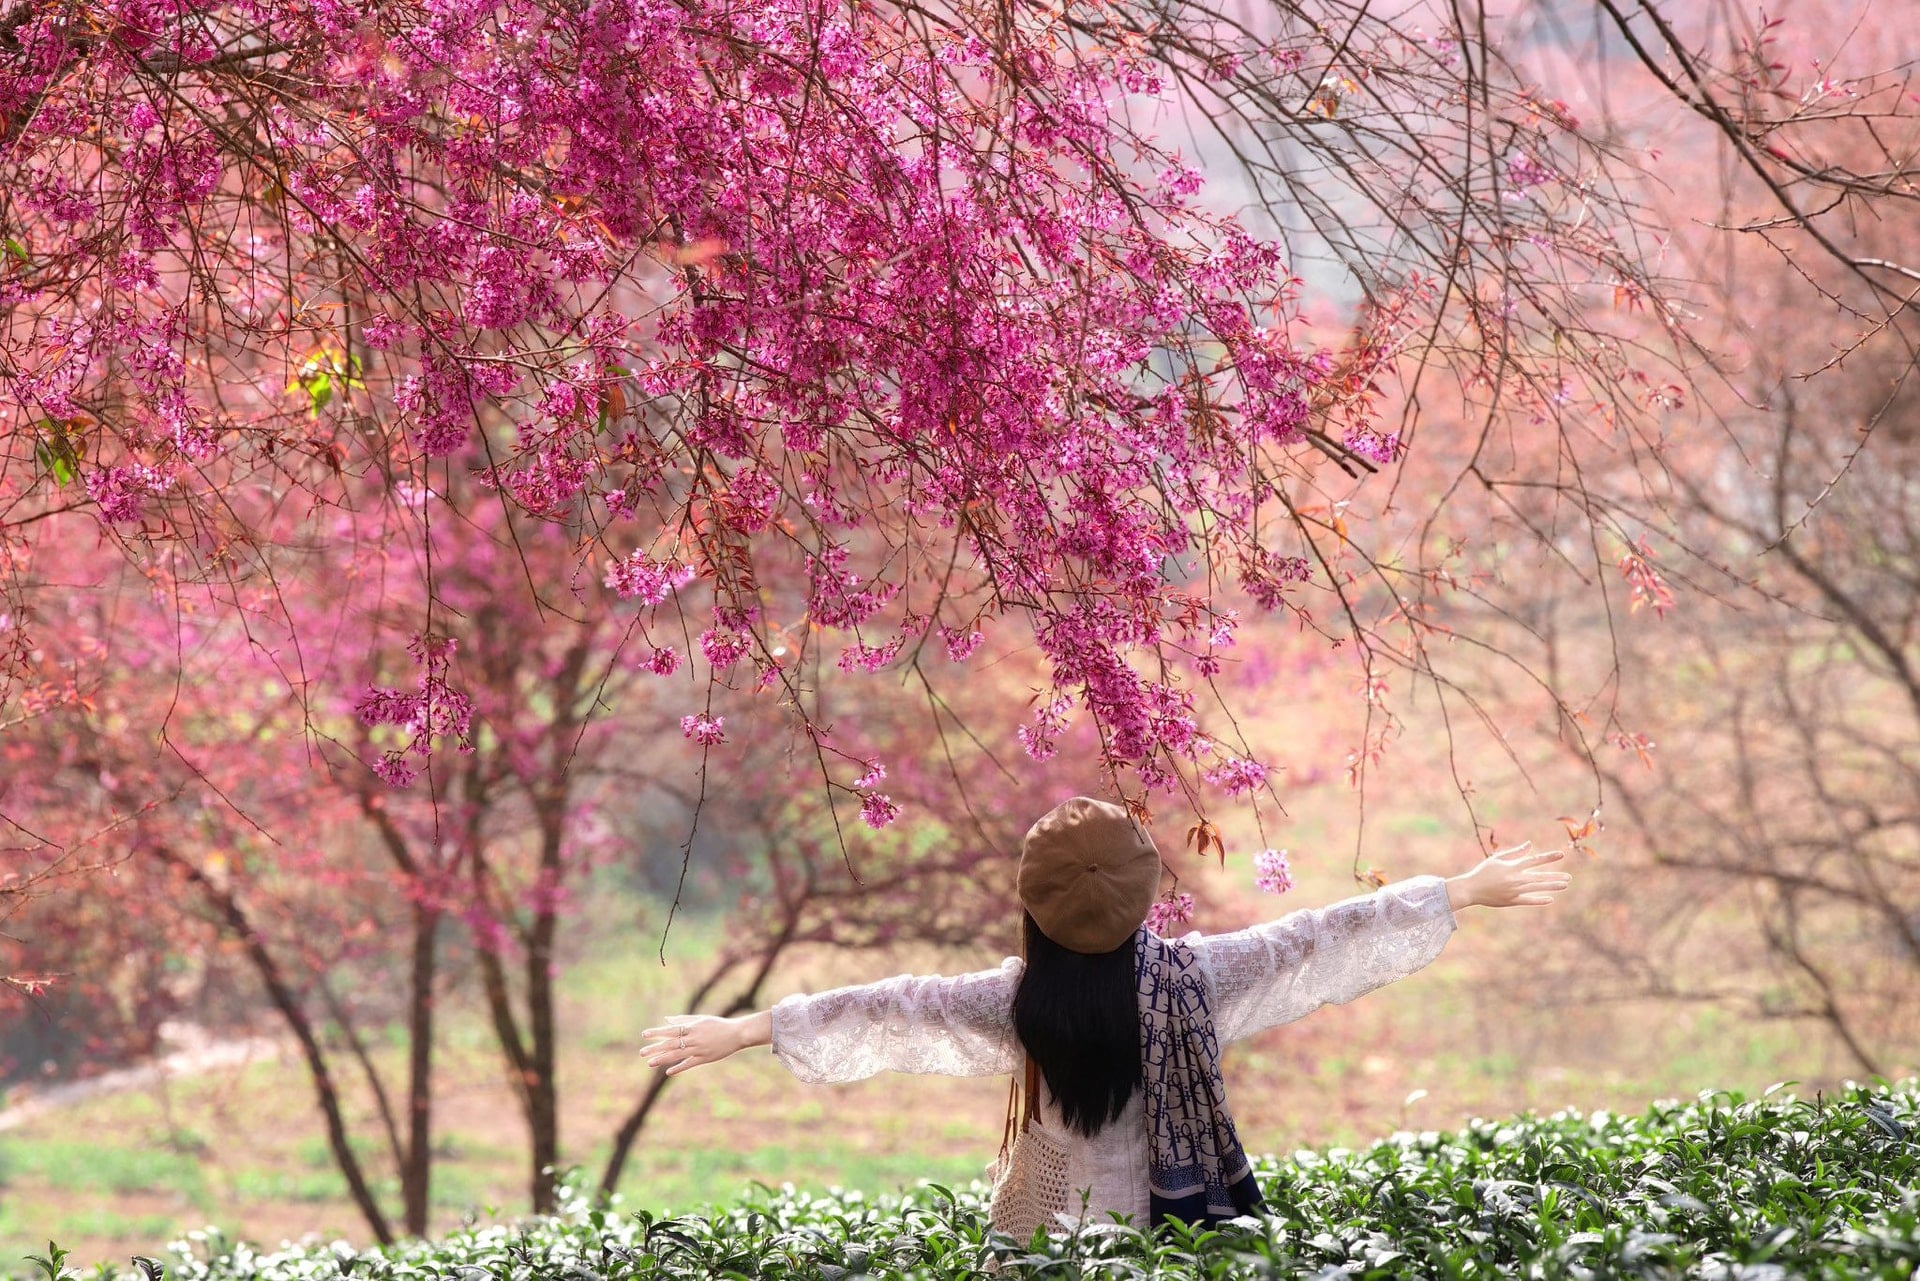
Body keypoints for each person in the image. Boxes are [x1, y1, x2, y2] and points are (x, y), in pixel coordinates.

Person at [642, 796, 1571, 1235]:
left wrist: (750, 1028)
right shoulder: (1195, 979)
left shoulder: (1015, 1001)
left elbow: (893, 1002)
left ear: (1036, 907)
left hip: (1054, 1236)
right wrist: (1456, 889)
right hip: (1175, 1235)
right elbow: (1313, 936)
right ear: (1142, 898)